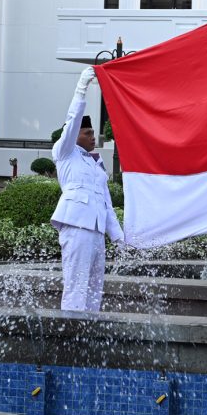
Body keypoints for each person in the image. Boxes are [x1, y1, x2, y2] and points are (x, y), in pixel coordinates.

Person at [50, 66, 124, 311]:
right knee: (76, 285)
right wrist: (81, 89)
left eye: (93, 133)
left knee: (94, 289)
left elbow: (106, 204)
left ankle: (90, 332)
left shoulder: (96, 164)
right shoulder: (65, 152)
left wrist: (119, 238)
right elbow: (71, 123)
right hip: (76, 226)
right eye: (88, 132)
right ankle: (70, 334)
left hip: (96, 230)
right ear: (74, 135)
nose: (93, 137)